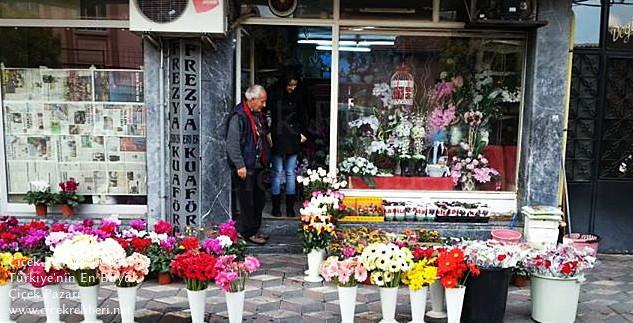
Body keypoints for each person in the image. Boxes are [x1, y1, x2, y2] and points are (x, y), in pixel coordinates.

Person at [226, 85, 270, 245]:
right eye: (262, 101)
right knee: (247, 201)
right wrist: (239, 165)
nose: (263, 105)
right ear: (252, 99)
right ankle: (248, 232)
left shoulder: (256, 114)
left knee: (259, 199)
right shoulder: (239, 116)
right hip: (245, 166)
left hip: (258, 165)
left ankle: (255, 229)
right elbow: (232, 143)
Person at [268, 72, 307, 217]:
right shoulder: (276, 96)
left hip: (289, 135)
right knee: (281, 172)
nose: (292, 87)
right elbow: (268, 115)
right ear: (284, 84)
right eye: (290, 85)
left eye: (295, 85)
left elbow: (304, 116)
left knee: (286, 172)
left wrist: (303, 132)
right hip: (281, 136)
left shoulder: (292, 96)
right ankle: (278, 207)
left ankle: (286, 208)